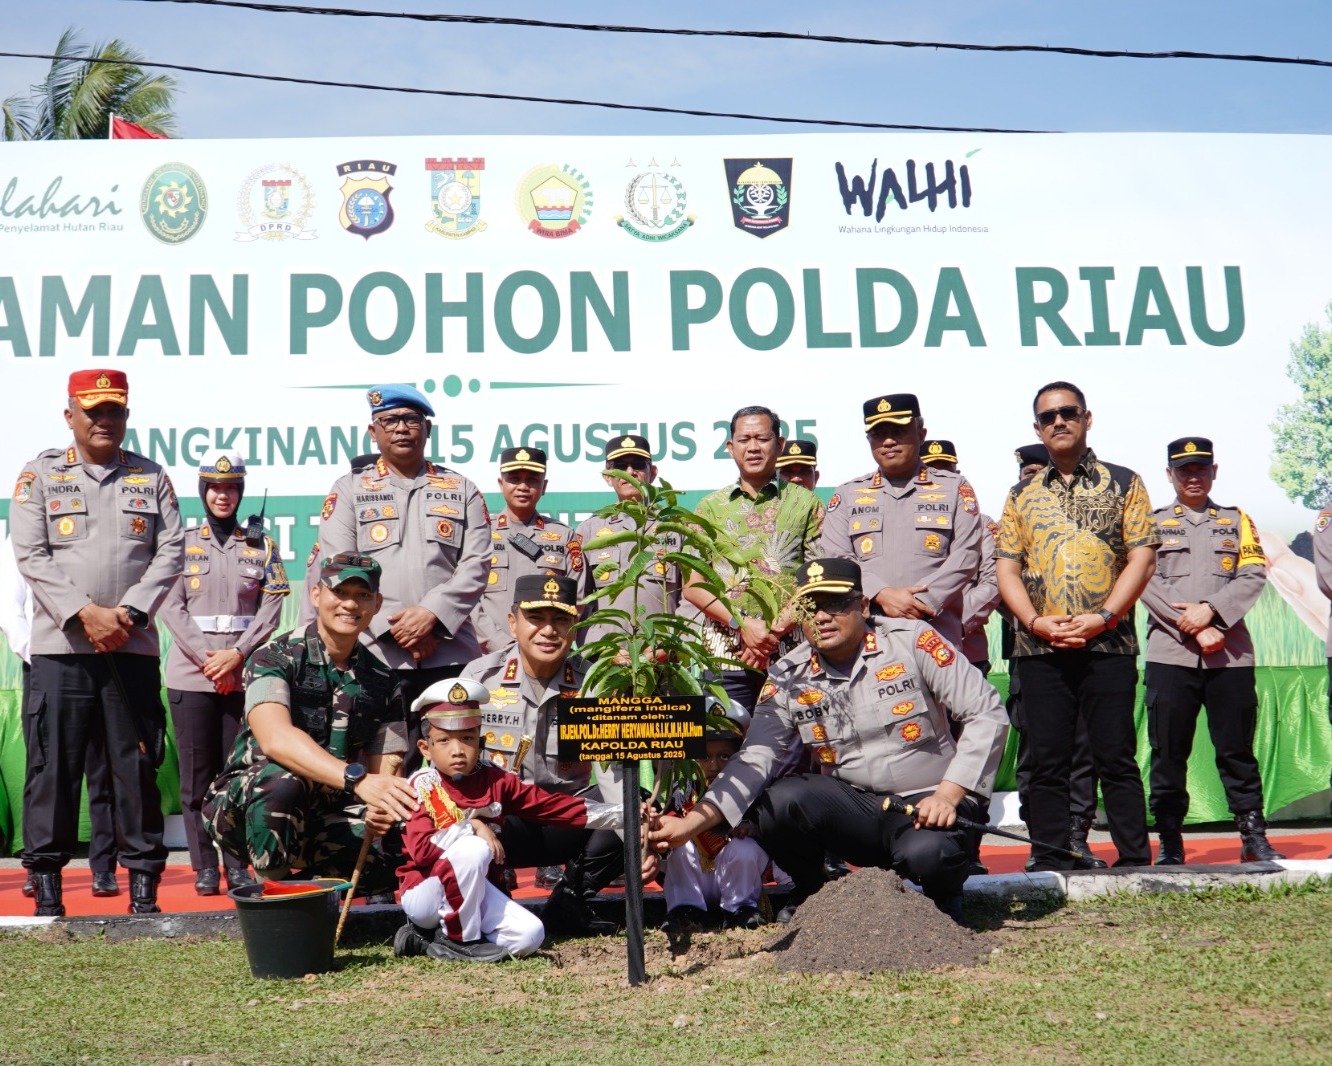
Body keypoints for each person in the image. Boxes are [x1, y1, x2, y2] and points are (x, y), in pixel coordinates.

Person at [648, 558, 1008, 922]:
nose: (821, 617)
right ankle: (813, 890)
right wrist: (689, 825)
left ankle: (944, 899)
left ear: (864, 605)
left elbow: (986, 713)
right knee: (780, 802)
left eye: (835, 604)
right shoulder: (788, 675)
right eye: (808, 607)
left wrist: (948, 795)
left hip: (927, 803)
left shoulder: (914, 642)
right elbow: (753, 759)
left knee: (931, 856)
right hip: (854, 811)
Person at [10, 369, 184, 916]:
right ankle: (46, 887)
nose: (105, 420)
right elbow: (30, 554)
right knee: (52, 770)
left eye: (115, 411)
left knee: (135, 769)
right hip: (62, 651)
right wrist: (85, 614)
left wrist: (127, 613)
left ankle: (143, 888)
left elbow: (172, 549)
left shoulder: (151, 476)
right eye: (93, 412)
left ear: (126, 417)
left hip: (130, 649)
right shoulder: (39, 476)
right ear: (70, 417)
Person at [996, 381, 1158, 871]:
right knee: (1046, 761)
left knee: (1116, 757)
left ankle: (1133, 859)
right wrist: (1036, 621)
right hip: (1039, 647)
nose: (1058, 422)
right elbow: (1006, 567)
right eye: (1048, 417)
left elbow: (1143, 557)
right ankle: (1050, 860)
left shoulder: (1124, 482)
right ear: (1037, 429)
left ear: (1088, 418)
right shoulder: (1021, 494)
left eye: (1068, 412)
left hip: (1109, 642)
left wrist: (1104, 616)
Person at [202, 552, 419, 889]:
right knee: (283, 782)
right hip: (247, 808)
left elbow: (387, 768)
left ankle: (322, 891)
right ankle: (272, 898)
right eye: (340, 593)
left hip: (329, 811)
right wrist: (356, 781)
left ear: (377, 604)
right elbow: (276, 739)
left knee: (409, 839)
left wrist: (382, 810)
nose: (350, 605)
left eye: (363, 596)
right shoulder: (273, 657)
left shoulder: (383, 679)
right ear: (317, 595)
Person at [393, 677, 623, 962]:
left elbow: (550, 806)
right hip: (426, 893)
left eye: (467, 738)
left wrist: (621, 815)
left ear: (480, 740)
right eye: (443, 740)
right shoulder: (421, 785)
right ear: (426, 748)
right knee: (473, 848)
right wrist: (473, 827)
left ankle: (424, 940)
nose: (457, 750)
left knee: (530, 936)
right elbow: (423, 851)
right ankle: (459, 940)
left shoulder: (495, 778)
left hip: (475, 887)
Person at [1139, 437, 1285, 865]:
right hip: (1170, 654)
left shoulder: (1237, 520)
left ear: (1214, 471)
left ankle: (1253, 835)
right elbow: (1144, 579)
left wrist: (1212, 614)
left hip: (1231, 655)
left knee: (1236, 748)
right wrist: (1191, 626)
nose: (1193, 476)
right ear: (1170, 474)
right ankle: (1170, 841)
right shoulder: (1152, 523)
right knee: (1168, 752)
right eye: (1183, 469)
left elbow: (1254, 574)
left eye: (1201, 468)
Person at [463, 574, 625, 935]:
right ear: (513, 622)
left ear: (575, 624)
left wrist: (635, 833)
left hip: (564, 818)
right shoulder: (479, 679)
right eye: (536, 619)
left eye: (561, 619)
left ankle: (569, 902)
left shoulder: (594, 685)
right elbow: (449, 768)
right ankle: (494, 899)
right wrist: (470, 818)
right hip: (501, 820)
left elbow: (612, 774)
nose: (548, 631)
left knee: (631, 802)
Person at [158, 452, 288, 895]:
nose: (223, 495)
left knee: (236, 775)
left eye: (231, 487)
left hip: (241, 674)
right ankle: (204, 867)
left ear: (240, 493)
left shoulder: (261, 545)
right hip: (192, 676)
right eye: (215, 487)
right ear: (204, 492)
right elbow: (170, 606)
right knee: (197, 777)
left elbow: (271, 608)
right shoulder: (179, 543)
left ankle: (236, 863)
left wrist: (236, 655)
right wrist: (209, 658)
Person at [310, 384, 490, 705]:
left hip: (450, 651)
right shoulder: (349, 489)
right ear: (372, 432)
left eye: (411, 419)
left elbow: (476, 564)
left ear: (428, 428)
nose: (402, 428)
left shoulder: (463, 489)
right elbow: (341, 564)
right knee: (383, 755)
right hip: (375, 651)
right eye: (389, 421)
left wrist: (433, 617)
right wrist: (394, 628)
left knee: (456, 753)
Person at [1000, 444, 1106, 871]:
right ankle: (1043, 840)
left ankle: (1078, 836)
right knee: (1036, 753)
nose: (1032, 479)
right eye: (1027, 472)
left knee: (1082, 749)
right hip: (1032, 652)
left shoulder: (1081, 521)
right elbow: (1000, 580)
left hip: (1086, 647)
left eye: (1038, 472)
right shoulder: (1012, 519)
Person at [0, 536, 121, 899]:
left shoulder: (92, 530)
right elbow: (10, 605)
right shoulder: (21, 538)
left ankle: (104, 868)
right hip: (45, 665)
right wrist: (36, 655)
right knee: (44, 772)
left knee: (104, 770)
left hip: (101, 661)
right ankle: (40, 867)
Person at [685, 406, 825, 714]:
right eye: (744, 439)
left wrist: (771, 632)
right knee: (727, 747)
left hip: (793, 651)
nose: (753, 447)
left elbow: (819, 580)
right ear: (730, 447)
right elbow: (694, 587)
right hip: (725, 655)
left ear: (780, 444)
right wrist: (742, 624)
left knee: (796, 751)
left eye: (762, 438)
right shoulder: (708, 508)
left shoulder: (807, 504)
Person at [819, 394, 982, 651]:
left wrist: (923, 603)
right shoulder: (848, 494)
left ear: (921, 432)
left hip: (936, 633)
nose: (889, 441)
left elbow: (967, 555)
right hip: (869, 636)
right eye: (878, 433)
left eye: (899, 431)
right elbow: (838, 558)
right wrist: (882, 594)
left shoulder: (955, 488)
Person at [658, 714, 773, 934]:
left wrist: (752, 827)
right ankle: (685, 909)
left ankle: (741, 909)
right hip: (694, 877)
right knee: (679, 846)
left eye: (724, 756)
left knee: (745, 848)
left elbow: (772, 831)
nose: (714, 765)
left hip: (734, 874)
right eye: (704, 757)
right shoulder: (680, 789)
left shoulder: (753, 788)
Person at [570, 434, 682, 647]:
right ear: (607, 476)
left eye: (638, 465)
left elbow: (691, 598)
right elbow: (579, 604)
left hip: (665, 657)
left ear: (653, 472)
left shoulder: (674, 528)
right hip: (608, 659)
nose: (630, 473)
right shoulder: (590, 531)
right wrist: (604, 649)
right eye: (620, 466)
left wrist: (672, 646)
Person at [471, 447, 575, 655]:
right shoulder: (480, 533)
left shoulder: (564, 536)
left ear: (544, 486)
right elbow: (468, 597)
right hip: (489, 655)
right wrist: (500, 644)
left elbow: (577, 601)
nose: (523, 487)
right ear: (501, 484)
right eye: (514, 479)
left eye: (532, 480)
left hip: (548, 652)